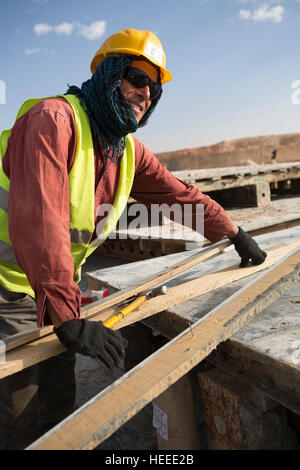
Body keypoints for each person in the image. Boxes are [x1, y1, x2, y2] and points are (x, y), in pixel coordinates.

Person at [0, 28, 266, 449]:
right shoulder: (53, 120)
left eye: (154, 89)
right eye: (137, 77)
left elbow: (180, 197)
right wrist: (66, 314)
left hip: (52, 289)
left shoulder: (126, 151)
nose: (146, 93)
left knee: (57, 406)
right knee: (21, 414)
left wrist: (233, 231)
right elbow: (41, 220)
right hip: (7, 289)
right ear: (108, 74)